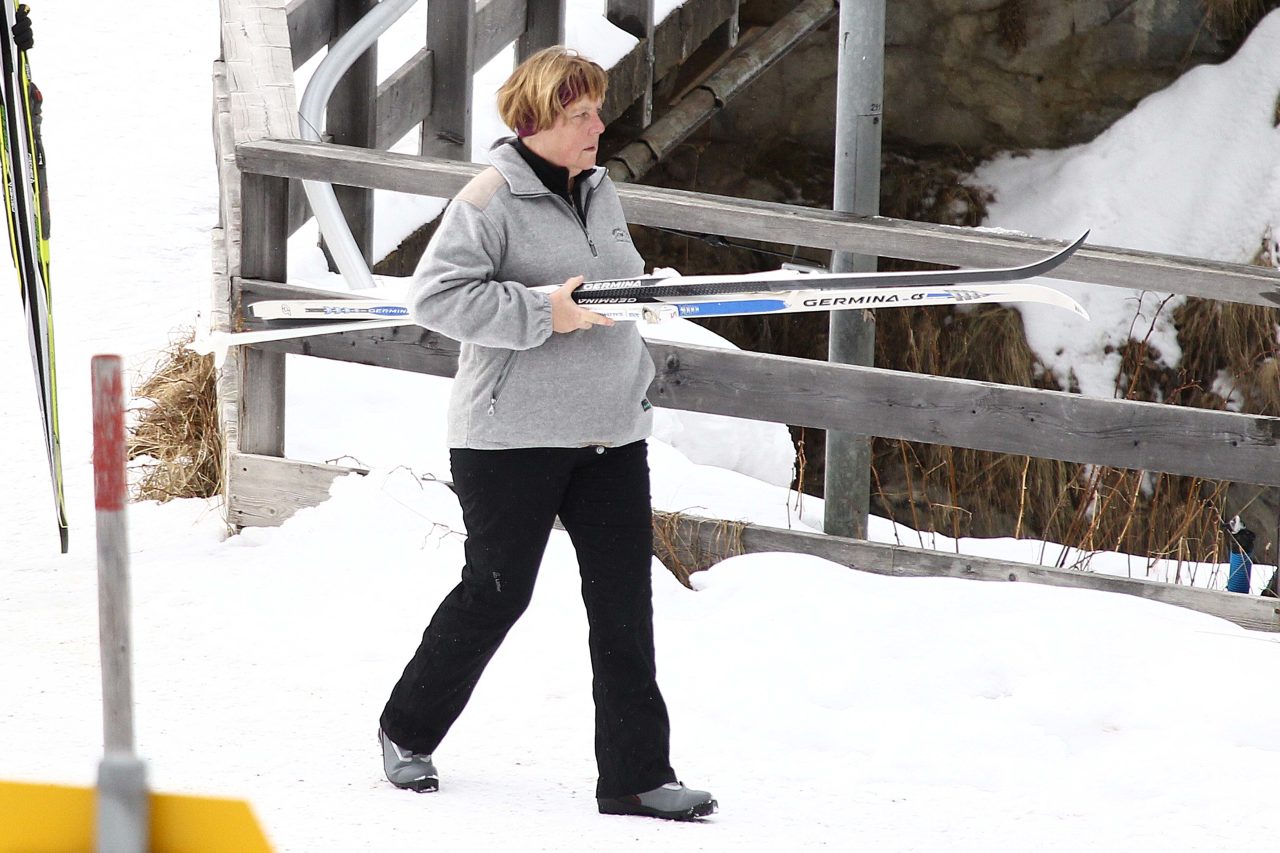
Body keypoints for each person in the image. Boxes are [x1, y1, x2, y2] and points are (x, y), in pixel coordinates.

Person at [377, 47, 716, 821]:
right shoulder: (489, 199)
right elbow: (434, 298)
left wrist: (649, 297)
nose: (599, 125)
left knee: (625, 602)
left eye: (598, 109)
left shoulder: (602, 192)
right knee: (498, 592)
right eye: (581, 115)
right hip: (511, 435)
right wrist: (542, 313)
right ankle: (406, 727)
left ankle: (635, 775)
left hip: (609, 433)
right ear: (534, 123)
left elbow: (611, 279)